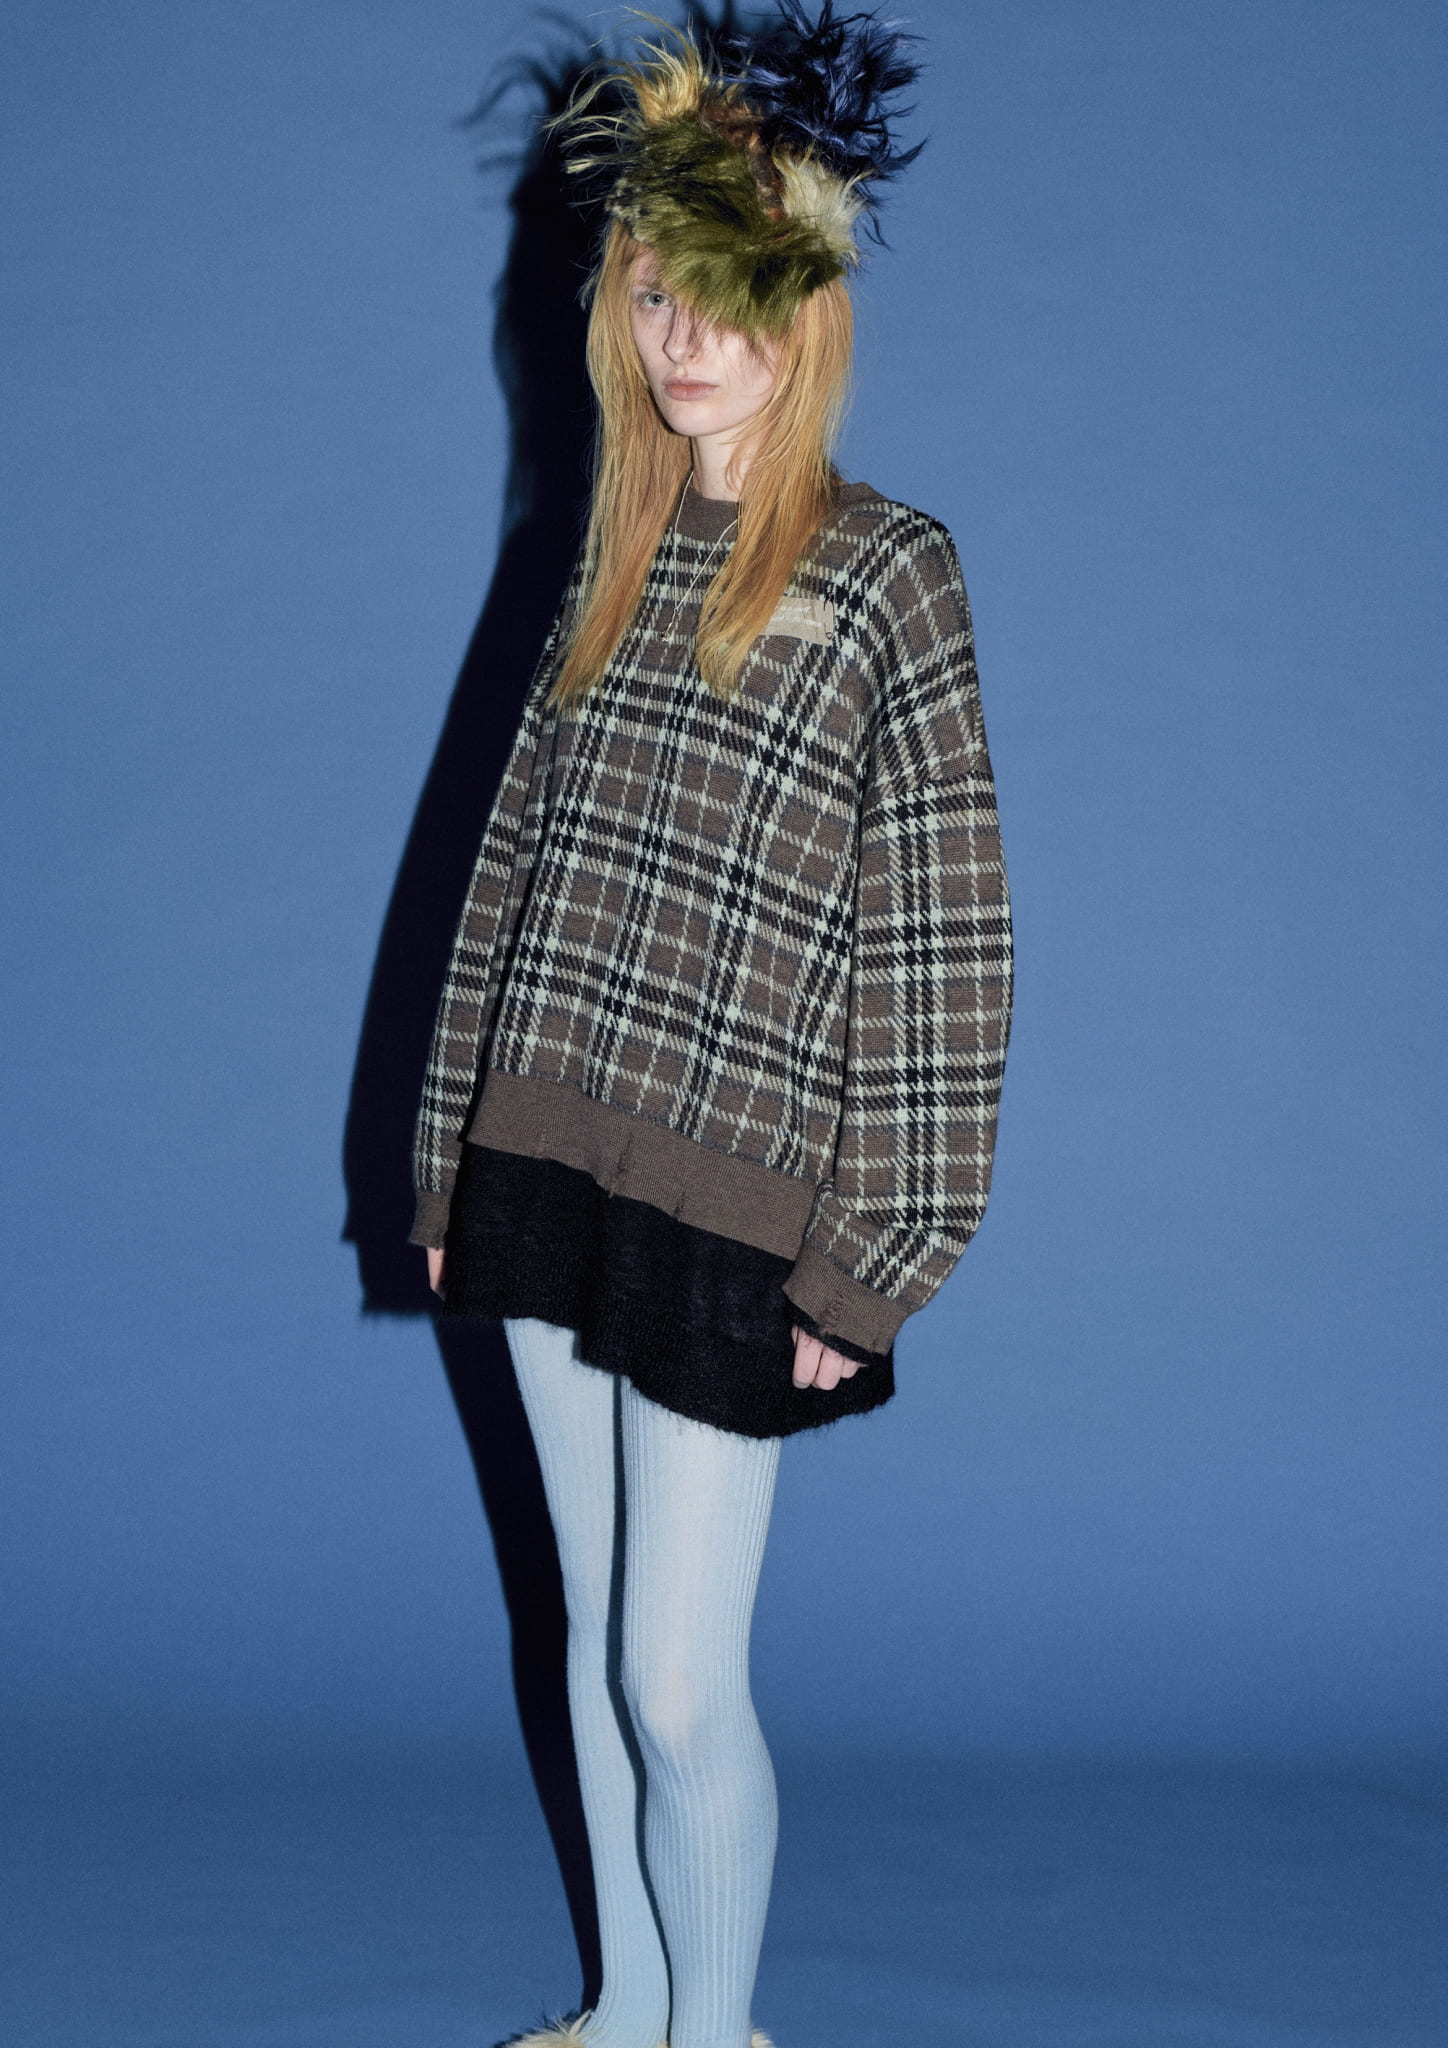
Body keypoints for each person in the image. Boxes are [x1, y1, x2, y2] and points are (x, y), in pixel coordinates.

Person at [409, 9, 1012, 2044]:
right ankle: (630, 2013)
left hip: (736, 1197)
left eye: (725, 299)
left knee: (677, 1679)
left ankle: (716, 2034)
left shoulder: (889, 574)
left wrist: (878, 1257)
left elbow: (942, 947)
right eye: (654, 293)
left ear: (806, 307)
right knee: (594, 1643)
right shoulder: (613, 548)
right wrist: (444, 1161)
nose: (683, 340)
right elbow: (510, 865)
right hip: (543, 1146)